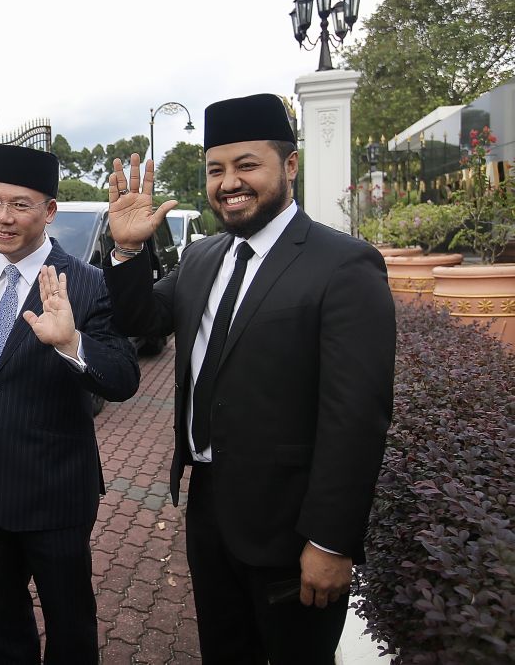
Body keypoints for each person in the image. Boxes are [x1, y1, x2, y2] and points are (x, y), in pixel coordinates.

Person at [103, 94, 396, 664]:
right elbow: (143, 321)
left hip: (293, 525)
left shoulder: (344, 264)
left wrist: (330, 540)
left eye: (246, 165)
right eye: (216, 169)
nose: (229, 182)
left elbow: (356, 416)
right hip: (210, 511)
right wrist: (127, 250)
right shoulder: (203, 257)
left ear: (290, 165)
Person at [0, 145, 140, 663]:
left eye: (19, 205)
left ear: (49, 211)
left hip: (57, 496)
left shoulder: (88, 283)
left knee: (71, 630)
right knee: (4, 628)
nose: (2, 217)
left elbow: (123, 379)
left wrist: (72, 344)